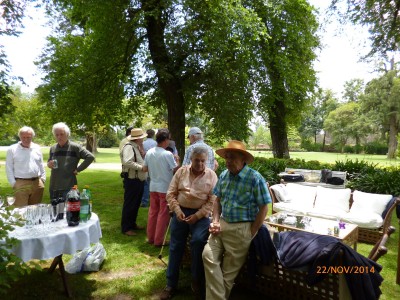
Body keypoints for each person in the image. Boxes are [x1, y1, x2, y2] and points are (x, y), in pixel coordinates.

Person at [202, 140, 272, 300]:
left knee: (228, 274)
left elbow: (264, 208)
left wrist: (251, 233)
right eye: (226, 157)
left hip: (242, 229)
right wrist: (215, 220)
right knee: (207, 255)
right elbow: (217, 200)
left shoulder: (255, 178)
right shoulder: (224, 175)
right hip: (222, 225)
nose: (228, 161)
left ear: (243, 159)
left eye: (232, 157)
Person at [160, 146, 218, 300]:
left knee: (198, 242)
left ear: (207, 161)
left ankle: (196, 279)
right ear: (191, 159)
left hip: (201, 216)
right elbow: (170, 194)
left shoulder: (212, 175)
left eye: (203, 161)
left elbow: (213, 201)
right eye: (197, 160)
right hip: (181, 212)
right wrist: (177, 211)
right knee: (175, 245)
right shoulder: (181, 172)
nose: (199, 163)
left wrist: (198, 216)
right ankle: (171, 284)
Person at [142, 129, 180, 246]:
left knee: (153, 212)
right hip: (164, 188)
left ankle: (150, 237)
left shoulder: (149, 152)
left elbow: (144, 169)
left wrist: (155, 169)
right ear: (165, 140)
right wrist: (177, 160)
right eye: (168, 139)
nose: (169, 141)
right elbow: (176, 170)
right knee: (163, 214)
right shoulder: (167, 154)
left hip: (153, 186)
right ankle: (158, 240)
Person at [47, 122, 95, 199]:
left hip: (69, 186)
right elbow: (49, 161)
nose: (59, 137)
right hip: (54, 186)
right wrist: (49, 164)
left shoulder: (75, 147)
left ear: (67, 134)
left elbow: (90, 157)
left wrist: (78, 169)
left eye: (61, 134)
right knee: (55, 209)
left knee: (70, 209)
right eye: (57, 135)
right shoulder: (53, 148)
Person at [5, 126, 46, 207]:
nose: (26, 139)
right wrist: (13, 183)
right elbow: (9, 168)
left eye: (28, 137)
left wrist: (43, 179)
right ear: (20, 137)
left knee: (35, 210)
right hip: (20, 183)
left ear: (32, 137)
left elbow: (41, 164)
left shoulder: (37, 148)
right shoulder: (12, 149)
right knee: (21, 211)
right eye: (23, 137)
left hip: (37, 183)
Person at [120, 128, 148, 236]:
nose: (143, 139)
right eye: (142, 138)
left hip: (137, 180)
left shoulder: (135, 147)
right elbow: (127, 161)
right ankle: (126, 227)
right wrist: (141, 168)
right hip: (132, 180)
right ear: (138, 138)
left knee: (135, 204)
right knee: (130, 204)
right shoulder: (129, 147)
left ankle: (132, 224)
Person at [141, 129, 157, 207]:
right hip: (153, 164)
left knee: (146, 183)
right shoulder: (155, 143)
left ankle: (145, 201)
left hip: (145, 162)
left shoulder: (143, 143)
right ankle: (152, 200)